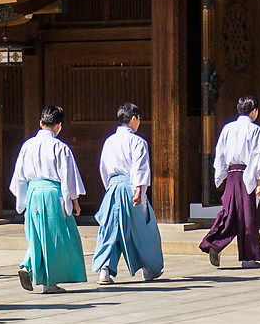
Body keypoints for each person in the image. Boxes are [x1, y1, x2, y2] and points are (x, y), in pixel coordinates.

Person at [12, 106, 89, 293]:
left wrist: (21, 200)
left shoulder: (27, 145)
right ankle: (46, 279)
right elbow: (68, 176)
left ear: (41, 123)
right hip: (53, 194)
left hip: (33, 192)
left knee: (37, 235)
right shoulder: (60, 147)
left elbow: (18, 176)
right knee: (57, 237)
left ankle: (31, 269)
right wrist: (74, 201)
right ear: (59, 126)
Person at [91, 104, 163, 284]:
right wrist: (139, 189)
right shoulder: (138, 141)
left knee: (110, 229)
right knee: (143, 229)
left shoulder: (109, 141)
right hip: (131, 186)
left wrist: (110, 187)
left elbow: (103, 168)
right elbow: (140, 166)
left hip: (114, 187)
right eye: (138, 119)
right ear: (133, 119)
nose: (139, 122)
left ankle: (104, 270)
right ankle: (149, 269)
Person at [200, 97, 260, 268]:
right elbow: (258, 159)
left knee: (229, 212)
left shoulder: (227, 129)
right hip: (248, 175)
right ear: (254, 110)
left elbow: (220, 154)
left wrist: (221, 176)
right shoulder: (256, 130)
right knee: (248, 216)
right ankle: (248, 257)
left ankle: (214, 244)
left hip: (232, 174)